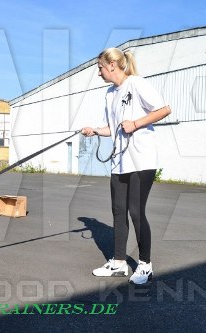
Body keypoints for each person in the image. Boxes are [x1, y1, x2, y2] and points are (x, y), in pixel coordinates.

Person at [81, 47, 171, 285]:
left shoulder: (136, 84)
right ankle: (119, 263)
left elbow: (164, 109)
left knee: (135, 211)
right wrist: (95, 130)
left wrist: (136, 123)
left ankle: (145, 265)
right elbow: (113, 128)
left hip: (141, 159)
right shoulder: (110, 94)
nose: (98, 73)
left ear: (112, 65)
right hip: (119, 161)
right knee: (118, 211)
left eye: (100, 67)